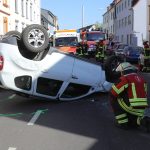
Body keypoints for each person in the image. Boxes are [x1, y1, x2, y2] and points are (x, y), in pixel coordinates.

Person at [109, 62, 150, 131]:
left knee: (114, 99)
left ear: (123, 71)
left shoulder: (125, 79)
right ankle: (142, 122)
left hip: (130, 106)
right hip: (142, 108)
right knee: (134, 121)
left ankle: (122, 123)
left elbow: (113, 93)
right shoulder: (141, 79)